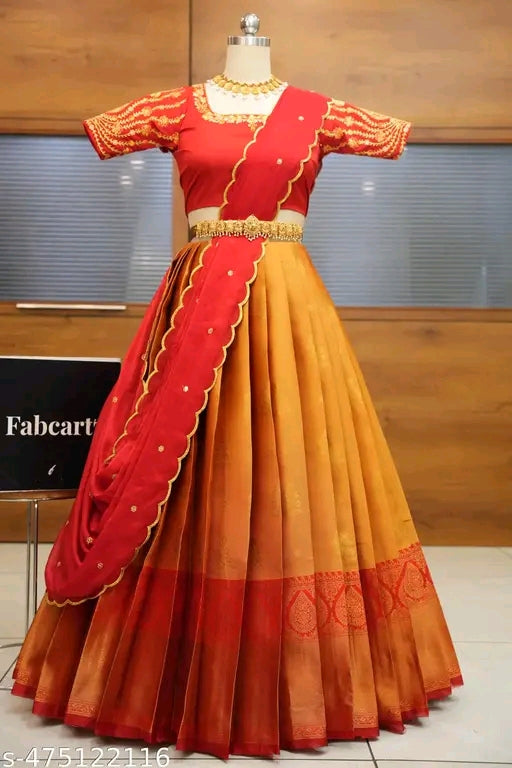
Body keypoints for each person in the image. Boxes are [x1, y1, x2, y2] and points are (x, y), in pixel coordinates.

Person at [11, 19, 462, 760]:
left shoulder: (322, 113)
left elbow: (393, 132)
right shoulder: (174, 108)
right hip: (195, 308)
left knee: (292, 464)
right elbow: (99, 130)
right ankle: (167, 665)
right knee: (188, 472)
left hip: (287, 308)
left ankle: (303, 676)